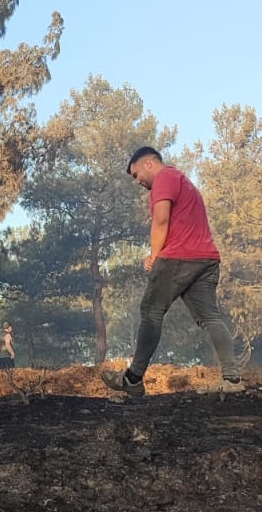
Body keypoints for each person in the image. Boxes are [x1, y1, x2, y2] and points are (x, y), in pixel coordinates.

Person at [101, 146, 244, 396]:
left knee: (151, 312)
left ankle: (133, 378)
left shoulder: (164, 178)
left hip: (179, 257)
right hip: (207, 258)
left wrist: (155, 255)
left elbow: (161, 219)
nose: (137, 182)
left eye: (136, 175)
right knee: (210, 317)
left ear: (148, 164)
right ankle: (232, 380)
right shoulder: (185, 181)